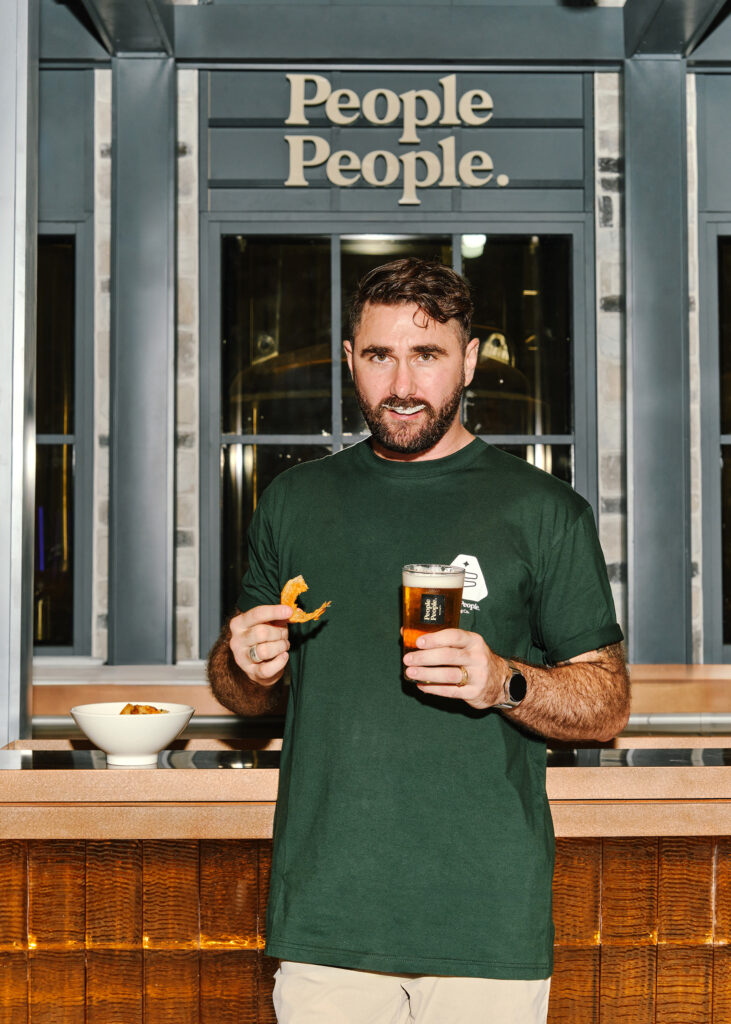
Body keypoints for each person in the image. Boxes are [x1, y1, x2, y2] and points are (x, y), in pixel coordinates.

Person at [207, 257, 630, 1024]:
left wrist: (502, 679)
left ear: (468, 360)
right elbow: (243, 689)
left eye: (427, 354)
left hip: (485, 921)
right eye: (378, 355)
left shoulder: (544, 510)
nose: (401, 383)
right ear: (348, 359)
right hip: (327, 918)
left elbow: (604, 705)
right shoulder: (294, 502)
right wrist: (243, 662)